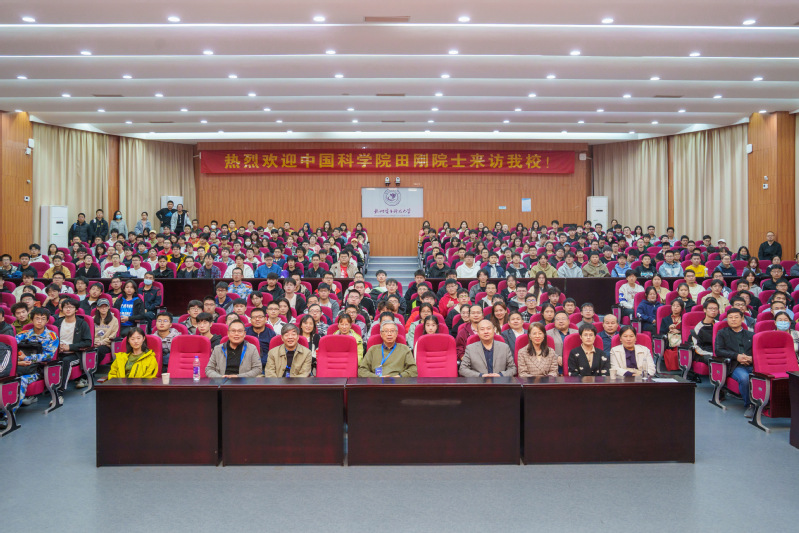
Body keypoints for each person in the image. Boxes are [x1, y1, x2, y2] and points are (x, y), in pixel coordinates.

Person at [715, 308, 755, 418]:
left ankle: (766, 404)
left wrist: (752, 358)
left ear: (742, 319)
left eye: (736, 317)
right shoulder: (722, 333)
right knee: (744, 378)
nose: (733, 320)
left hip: (752, 364)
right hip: (734, 365)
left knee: (765, 376)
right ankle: (750, 405)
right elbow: (718, 351)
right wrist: (737, 356)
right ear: (727, 319)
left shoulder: (751, 335)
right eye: (730, 317)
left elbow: (757, 351)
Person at [54, 298, 93, 389]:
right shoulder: (57, 323)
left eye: (71, 307)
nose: (68, 309)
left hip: (75, 354)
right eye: (65, 307)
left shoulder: (82, 324)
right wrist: (57, 347)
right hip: (58, 352)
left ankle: (60, 390)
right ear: (62, 309)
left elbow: (88, 342)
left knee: (66, 361)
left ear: (76, 310)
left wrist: (70, 347)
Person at [691, 298, 719, 366]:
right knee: (714, 360)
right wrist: (712, 354)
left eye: (715, 309)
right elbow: (697, 347)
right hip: (704, 353)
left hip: (718, 351)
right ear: (704, 310)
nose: (713, 310)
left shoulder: (718, 324)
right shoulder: (699, 327)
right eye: (710, 308)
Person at [92, 298, 118, 365]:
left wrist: (101, 342)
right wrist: (94, 342)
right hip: (94, 343)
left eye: (105, 306)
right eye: (101, 307)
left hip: (106, 344)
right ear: (97, 308)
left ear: (109, 307)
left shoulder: (114, 320)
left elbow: (113, 336)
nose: (103, 309)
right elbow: (90, 334)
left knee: (99, 350)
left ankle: (94, 368)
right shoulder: (92, 319)